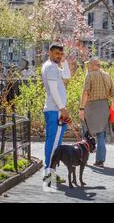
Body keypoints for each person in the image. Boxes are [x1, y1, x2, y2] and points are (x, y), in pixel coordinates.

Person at [79, 58, 114, 168]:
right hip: (104, 107)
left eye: (88, 65)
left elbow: (85, 93)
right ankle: (100, 161)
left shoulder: (89, 76)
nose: (87, 67)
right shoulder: (107, 75)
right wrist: (113, 108)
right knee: (101, 135)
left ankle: (83, 158)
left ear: (92, 65)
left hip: (90, 107)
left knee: (85, 133)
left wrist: (82, 108)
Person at [41, 43, 71, 184]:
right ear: (50, 53)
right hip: (55, 110)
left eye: (61, 54)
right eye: (56, 53)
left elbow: (67, 75)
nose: (59, 56)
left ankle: (51, 173)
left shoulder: (53, 66)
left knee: (54, 143)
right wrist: (62, 108)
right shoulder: (51, 68)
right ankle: (49, 173)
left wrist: (64, 62)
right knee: (53, 143)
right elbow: (53, 90)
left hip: (55, 110)